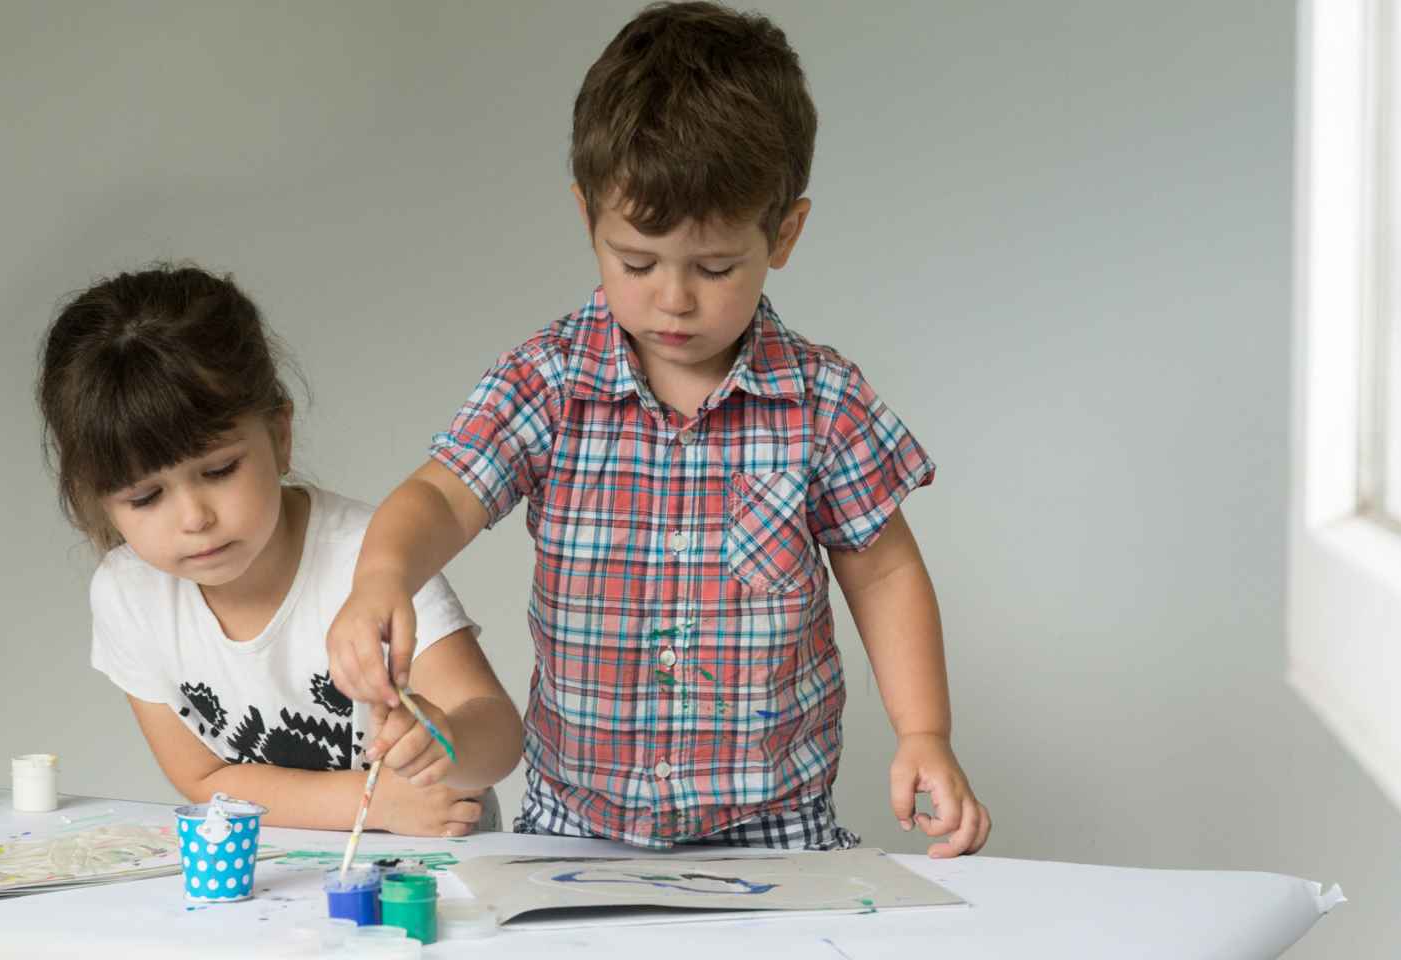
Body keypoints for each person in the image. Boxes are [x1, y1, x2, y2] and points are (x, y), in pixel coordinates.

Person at [328, 3, 990, 856]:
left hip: (774, 827)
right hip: (576, 825)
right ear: (588, 218)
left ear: (783, 233)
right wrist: (382, 574)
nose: (673, 299)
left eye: (715, 268)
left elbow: (886, 570)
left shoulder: (821, 401)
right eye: (636, 262)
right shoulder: (551, 381)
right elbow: (439, 497)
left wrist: (924, 731)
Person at [38, 263, 522, 836]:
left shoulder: (371, 561)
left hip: (434, 870)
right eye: (146, 497)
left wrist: (450, 741)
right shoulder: (128, 595)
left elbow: (500, 738)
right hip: (284, 881)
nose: (195, 518)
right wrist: (372, 808)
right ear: (98, 502)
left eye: (219, 470)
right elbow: (203, 777)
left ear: (280, 436)